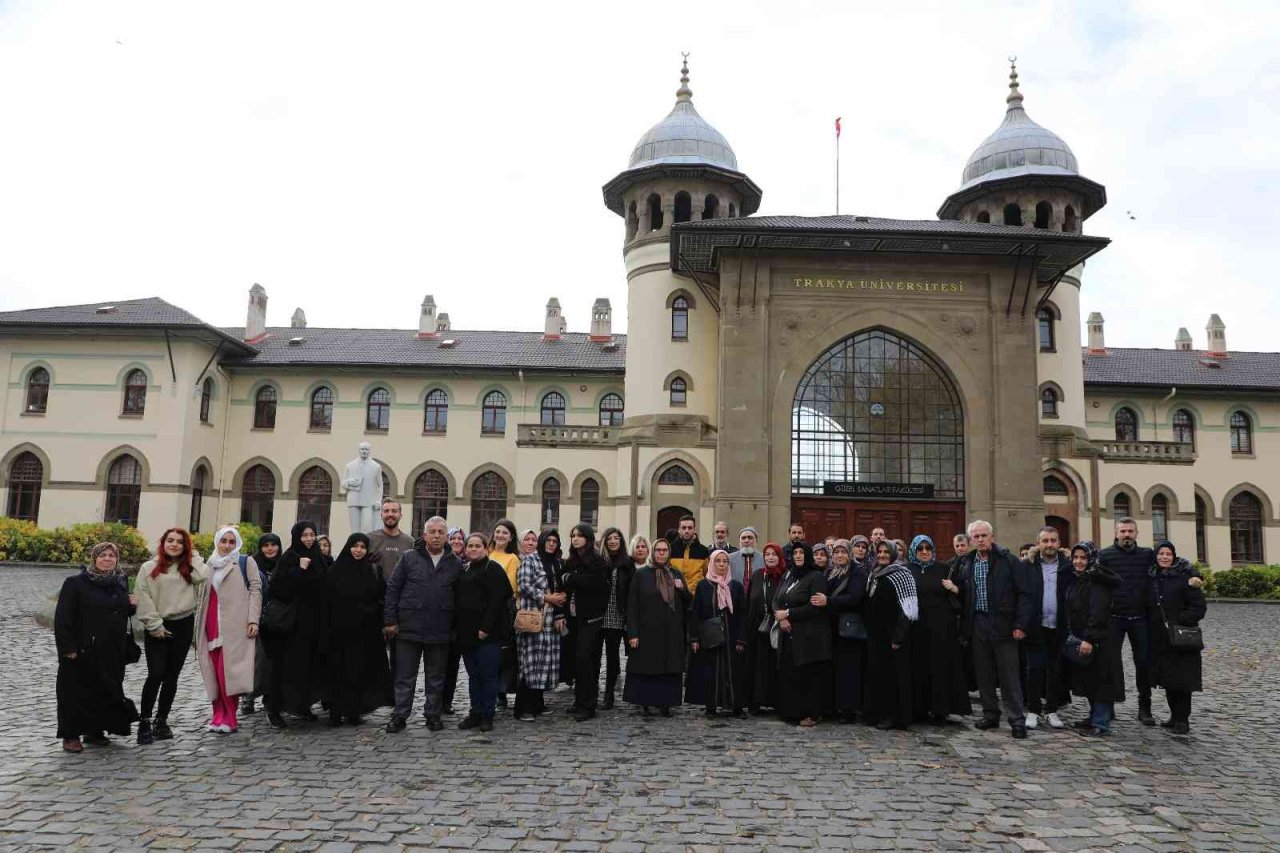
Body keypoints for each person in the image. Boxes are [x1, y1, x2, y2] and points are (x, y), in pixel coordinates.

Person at [54, 542, 140, 753]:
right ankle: (70, 735)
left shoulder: (119, 582)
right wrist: (68, 648)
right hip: (82, 649)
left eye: (111, 555)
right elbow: (63, 618)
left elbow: (115, 611)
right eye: (103, 555)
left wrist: (131, 607)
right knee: (74, 693)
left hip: (111, 649)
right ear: (94, 558)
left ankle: (94, 730)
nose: (107, 559)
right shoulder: (75, 583)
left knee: (104, 689)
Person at [384, 516, 462, 733]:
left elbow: (460, 598)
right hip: (409, 627)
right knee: (404, 677)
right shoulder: (409, 558)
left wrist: (456, 628)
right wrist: (390, 621)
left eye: (441, 532)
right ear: (424, 534)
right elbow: (393, 589)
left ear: (446, 536)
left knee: (436, 678)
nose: (436, 536)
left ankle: (433, 715)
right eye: (432, 531)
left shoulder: (454, 563)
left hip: (440, 629)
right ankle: (400, 715)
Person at [135, 527, 209, 744]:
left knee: (171, 676)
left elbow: (203, 575)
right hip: (158, 626)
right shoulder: (149, 568)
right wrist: (154, 624)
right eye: (170, 540)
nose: (174, 544)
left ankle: (162, 720)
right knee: (156, 673)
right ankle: (145, 721)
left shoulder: (189, 568)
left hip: (183, 624)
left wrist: (192, 554)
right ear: (163, 542)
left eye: (179, 541)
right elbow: (142, 596)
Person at [958, 520, 1031, 739]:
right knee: (984, 672)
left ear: (992, 537)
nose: (980, 540)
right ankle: (990, 714)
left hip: (1004, 624)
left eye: (983, 536)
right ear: (971, 540)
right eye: (976, 537)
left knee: (1009, 676)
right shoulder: (968, 562)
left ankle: (1017, 720)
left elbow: (1025, 594)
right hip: (978, 623)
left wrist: (1020, 624)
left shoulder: (1008, 561)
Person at [194, 526, 262, 734]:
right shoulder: (210, 564)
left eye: (231, 542)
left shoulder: (245, 562)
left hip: (234, 626)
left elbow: (255, 589)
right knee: (213, 673)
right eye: (223, 541)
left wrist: (253, 619)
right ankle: (218, 716)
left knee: (228, 675)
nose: (227, 545)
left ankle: (230, 718)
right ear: (217, 542)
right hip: (210, 625)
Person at [264, 521, 330, 729]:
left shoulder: (320, 558)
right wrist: (299, 571)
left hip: (313, 624)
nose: (309, 539)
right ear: (296, 537)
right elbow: (278, 589)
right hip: (291, 625)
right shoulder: (289, 558)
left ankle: (301, 705)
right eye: (305, 535)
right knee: (284, 668)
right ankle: (273, 709)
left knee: (307, 668)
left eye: (312, 534)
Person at [325, 533, 392, 726]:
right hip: (338, 632)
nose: (358, 550)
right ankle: (336, 712)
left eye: (363, 547)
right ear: (348, 547)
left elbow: (381, 596)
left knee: (358, 672)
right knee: (338, 672)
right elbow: (327, 600)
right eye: (355, 546)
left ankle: (354, 711)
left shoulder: (372, 571)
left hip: (364, 632)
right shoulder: (335, 571)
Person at [1098, 517, 1156, 726]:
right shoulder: (1104, 556)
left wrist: (1195, 576)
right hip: (1114, 617)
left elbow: (1171, 561)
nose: (1126, 535)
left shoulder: (1147, 555)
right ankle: (1110, 705)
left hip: (1140, 618)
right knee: (1111, 663)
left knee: (1143, 663)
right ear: (1116, 533)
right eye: (1122, 531)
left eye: (1130, 531)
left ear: (1136, 534)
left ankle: (1145, 707)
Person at [1062, 542, 1123, 736]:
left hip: (1099, 639)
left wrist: (1089, 638)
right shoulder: (1079, 578)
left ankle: (1101, 723)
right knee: (1089, 679)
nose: (1079, 561)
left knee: (1101, 680)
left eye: (1083, 558)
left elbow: (1098, 612)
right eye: (1076, 557)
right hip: (1083, 636)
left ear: (1091, 559)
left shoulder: (1097, 580)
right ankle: (1094, 716)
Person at [906, 535, 969, 724]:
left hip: (941, 628)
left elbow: (964, 593)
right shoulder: (907, 570)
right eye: (920, 549)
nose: (924, 552)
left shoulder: (945, 569)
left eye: (928, 548)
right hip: (915, 629)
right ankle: (919, 708)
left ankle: (940, 709)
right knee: (917, 667)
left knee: (939, 667)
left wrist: (955, 589)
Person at [455, 533, 514, 732]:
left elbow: (497, 602)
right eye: (469, 545)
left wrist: (485, 629)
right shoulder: (466, 569)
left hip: (488, 634)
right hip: (467, 634)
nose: (473, 549)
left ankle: (488, 715)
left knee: (488, 676)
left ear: (485, 547)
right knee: (474, 676)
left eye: (477, 546)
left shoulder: (493, 569)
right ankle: (476, 712)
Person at [624, 535, 689, 716]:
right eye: (658, 550)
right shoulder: (641, 574)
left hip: (671, 632)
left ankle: (665, 702)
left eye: (665, 550)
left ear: (669, 553)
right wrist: (633, 634)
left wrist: (681, 589)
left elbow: (688, 601)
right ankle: (645, 701)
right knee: (647, 667)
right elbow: (633, 606)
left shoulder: (676, 573)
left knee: (668, 668)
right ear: (653, 552)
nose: (661, 553)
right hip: (647, 631)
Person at [1148, 541, 1206, 735]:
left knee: (1183, 680)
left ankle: (1183, 719)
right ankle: (1174, 716)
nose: (1164, 557)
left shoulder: (1186, 577)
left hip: (1182, 636)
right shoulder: (1153, 577)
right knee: (1168, 679)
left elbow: (1198, 607)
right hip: (1162, 638)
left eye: (1168, 554)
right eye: (1161, 553)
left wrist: (1180, 620)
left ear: (1174, 556)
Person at [773, 543, 831, 727]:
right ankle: (790, 711)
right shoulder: (788, 575)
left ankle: (812, 714)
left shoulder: (816, 577)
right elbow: (776, 599)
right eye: (795, 553)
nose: (798, 556)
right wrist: (781, 618)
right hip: (789, 634)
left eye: (801, 553)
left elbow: (815, 606)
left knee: (808, 677)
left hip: (809, 636)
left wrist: (789, 614)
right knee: (790, 673)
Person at [862, 541, 918, 730]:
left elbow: (909, 610)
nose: (883, 555)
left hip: (894, 635)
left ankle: (893, 716)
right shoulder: (875, 573)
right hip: (877, 635)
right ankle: (876, 714)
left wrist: (898, 637)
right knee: (878, 675)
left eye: (887, 552)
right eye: (880, 552)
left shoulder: (902, 573)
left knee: (894, 678)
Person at [514, 529, 567, 721]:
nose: (551, 543)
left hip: (550, 620)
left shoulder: (556, 563)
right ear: (542, 541)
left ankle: (537, 703)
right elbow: (524, 585)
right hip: (533, 619)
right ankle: (522, 708)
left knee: (543, 663)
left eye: (555, 540)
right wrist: (547, 597)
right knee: (530, 663)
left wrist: (560, 600)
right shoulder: (530, 560)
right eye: (548, 540)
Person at [687, 550, 745, 717]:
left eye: (725, 561)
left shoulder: (735, 586)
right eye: (718, 561)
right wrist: (695, 638)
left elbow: (742, 613)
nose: (721, 564)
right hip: (710, 637)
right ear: (712, 563)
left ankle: (736, 706)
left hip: (732, 637)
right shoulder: (703, 585)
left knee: (733, 672)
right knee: (711, 672)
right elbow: (695, 613)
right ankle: (711, 706)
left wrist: (741, 638)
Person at [1021, 527, 1069, 730]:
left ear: (1059, 543)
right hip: (1036, 626)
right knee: (1034, 670)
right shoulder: (1028, 565)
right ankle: (1032, 710)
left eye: (1053, 541)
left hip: (1059, 626)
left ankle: (1051, 710)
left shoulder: (1067, 566)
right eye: (1045, 541)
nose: (1049, 545)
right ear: (1038, 543)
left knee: (1055, 671)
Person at [562, 524, 611, 722]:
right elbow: (563, 581)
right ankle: (579, 701)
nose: (575, 538)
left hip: (591, 618)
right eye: (573, 535)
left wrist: (573, 578)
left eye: (580, 535)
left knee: (586, 659)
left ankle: (589, 705)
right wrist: (575, 579)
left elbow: (595, 585)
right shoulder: (571, 560)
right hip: (573, 617)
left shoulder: (598, 561)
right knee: (576, 660)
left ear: (588, 538)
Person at [240, 533, 281, 717]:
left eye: (273, 545)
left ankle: (269, 696)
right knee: (255, 661)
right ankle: (248, 697)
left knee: (273, 661)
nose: (270, 549)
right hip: (255, 618)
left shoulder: (283, 563)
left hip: (277, 620)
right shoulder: (252, 564)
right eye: (266, 545)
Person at [827, 539, 868, 723]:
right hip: (833, 627)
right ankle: (836, 706)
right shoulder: (830, 572)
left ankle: (849, 709)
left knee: (849, 671)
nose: (840, 555)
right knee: (835, 668)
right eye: (836, 552)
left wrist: (829, 601)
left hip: (849, 628)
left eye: (843, 552)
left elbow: (855, 597)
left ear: (849, 553)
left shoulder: (857, 572)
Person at [743, 542, 786, 714]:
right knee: (757, 665)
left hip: (778, 627)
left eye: (774, 554)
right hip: (758, 628)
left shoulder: (786, 576)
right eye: (767, 554)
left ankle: (777, 701)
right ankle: (756, 701)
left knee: (775, 665)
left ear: (780, 557)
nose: (770, 557)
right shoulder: (757, 575)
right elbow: (749, 601)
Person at [598, 527, 634, 710]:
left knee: (612, 656)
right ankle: (593, 690)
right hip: (598, 614)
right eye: (610, 538)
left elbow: (631, 592)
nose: (613, 541)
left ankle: (609, 693)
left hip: (617, 614)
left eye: (616, 538)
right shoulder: (599, 561)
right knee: (595, 656)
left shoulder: (627, 563)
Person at [488, 520, 521, 709]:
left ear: (510, 538)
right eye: (497, 531)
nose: (500, 535)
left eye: (505, 533)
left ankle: (501, 690)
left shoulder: (512, 559)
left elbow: (509, 587)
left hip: (502, 611)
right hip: (483, 610)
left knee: (502, 654)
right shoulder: (488, 554)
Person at [440, 525, 467, 714]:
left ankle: (446, 701)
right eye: (453, 538)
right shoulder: (442, 561)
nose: (456, 541)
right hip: (441, 620)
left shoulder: (468, 562)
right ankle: (435, 700)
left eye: (459, 538)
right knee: (438, 664)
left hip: (459, 622)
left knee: (452, 665)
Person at [368, 498, 414, 582]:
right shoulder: (370, 538)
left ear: (400, 515)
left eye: (394, 511)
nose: (390, 514)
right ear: (381, 515)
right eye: (386, 511)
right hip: (374, 592)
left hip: (400, 592)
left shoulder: (409, 542)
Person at [670, 514, 710, 593]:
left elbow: (707, 574)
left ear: (694, 530)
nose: (687, 531)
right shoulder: (671, 549)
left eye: (690, 528)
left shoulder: (703, 551)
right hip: (676, 594)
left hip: (697, 595)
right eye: (684, 528)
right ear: (679, 530)